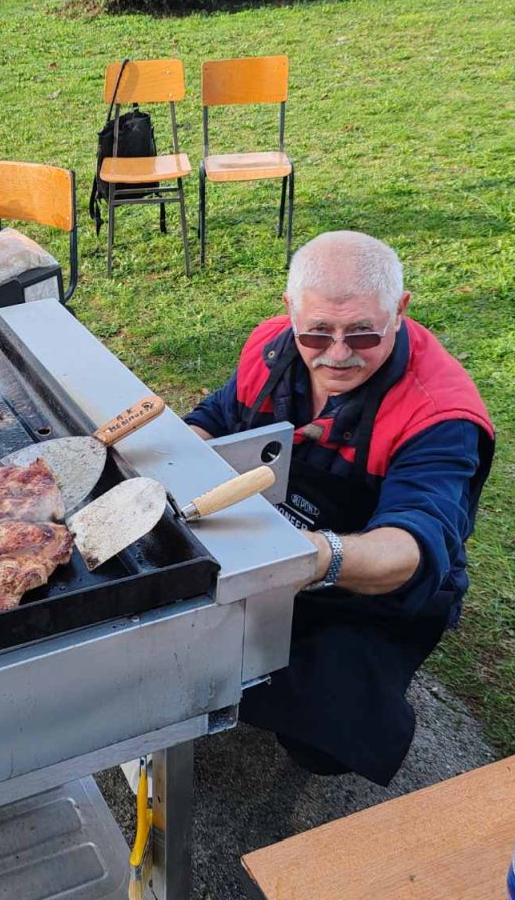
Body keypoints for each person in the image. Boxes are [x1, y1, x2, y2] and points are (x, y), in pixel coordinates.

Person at [185, 231, 495, 786]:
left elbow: (411, 547)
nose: (337, 353)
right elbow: (217, 412)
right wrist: (185, 451)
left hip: (364, 589)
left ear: (400, 310)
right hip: (273, 540)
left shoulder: (439, 415)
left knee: (328, 737)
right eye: (317, 332)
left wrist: (308, 558)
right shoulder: (273, 348)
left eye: (362, 333)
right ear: (289, 312)